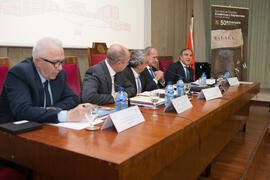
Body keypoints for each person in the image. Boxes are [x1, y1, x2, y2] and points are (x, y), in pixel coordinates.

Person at [0, 37, 92, 124]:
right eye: (55, 63)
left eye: (61, 62)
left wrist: (52, 110)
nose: (60, 68)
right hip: (14, 132)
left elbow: (73, 99)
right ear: (38, 62)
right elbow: (22, 111)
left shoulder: (59, 73)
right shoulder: (20, 73)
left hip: (46, 126)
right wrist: (64, 115)